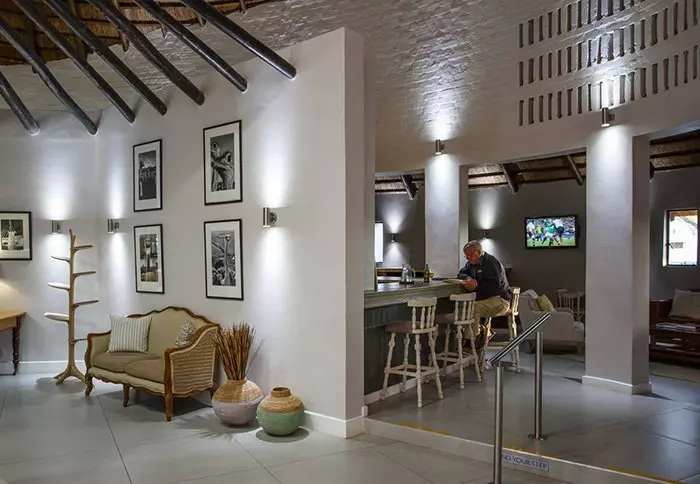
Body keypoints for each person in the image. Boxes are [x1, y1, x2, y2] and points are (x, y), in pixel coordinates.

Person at [457, 241, 512, 352]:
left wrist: (476, 285)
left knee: (472, 308)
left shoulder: (490, 262)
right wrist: (468, 279)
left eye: (470, 255)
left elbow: (494, 287)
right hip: (485, 300)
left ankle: (472, 342)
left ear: (478, 252)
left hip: (500, 300)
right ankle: (481, 332)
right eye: (466, 255)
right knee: (464, 309)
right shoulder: (470, 263)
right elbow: (461, 274)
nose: (467, 258)